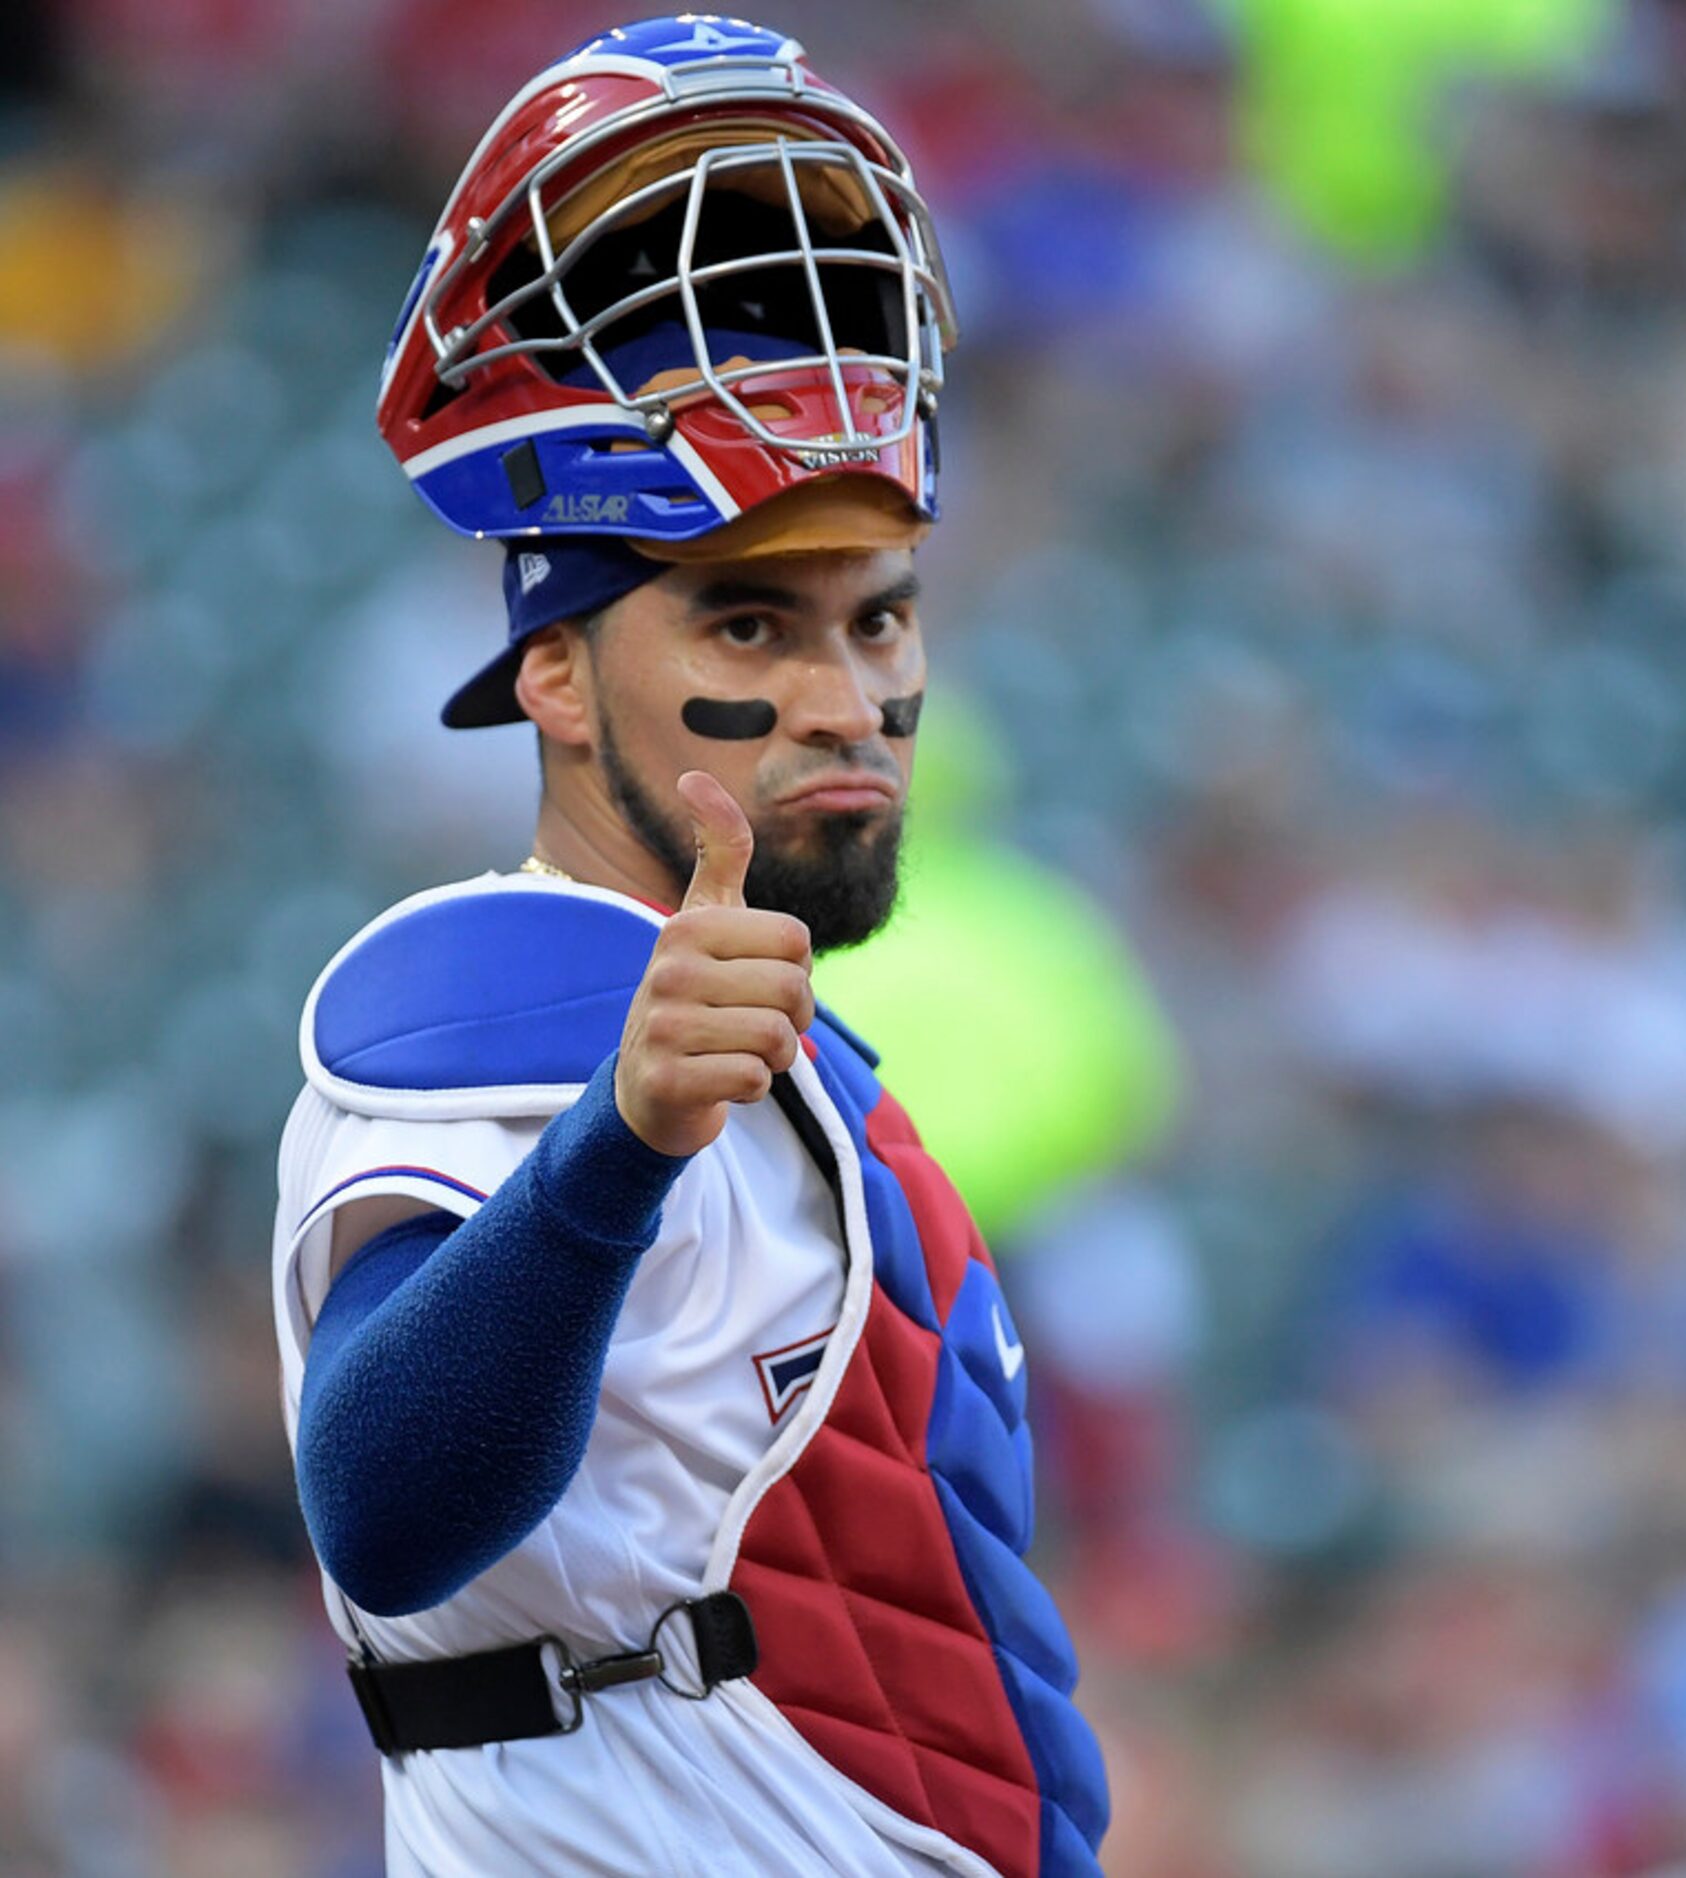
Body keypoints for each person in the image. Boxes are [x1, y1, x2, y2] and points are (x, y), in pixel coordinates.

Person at [267, 19, 1109, 1876]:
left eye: (877, 621)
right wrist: (612, 1146)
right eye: (746, 629)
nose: (847, 696)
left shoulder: (780, 1038)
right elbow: (382, 1509)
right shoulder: (497, 1004)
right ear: (551, 674)